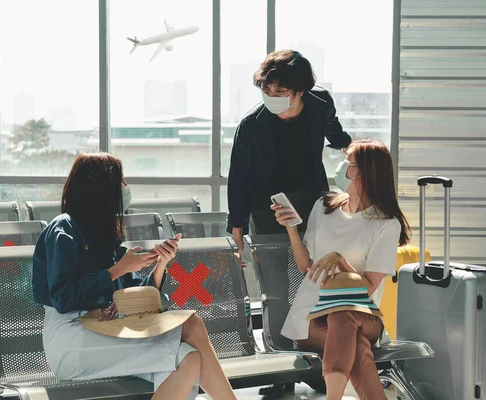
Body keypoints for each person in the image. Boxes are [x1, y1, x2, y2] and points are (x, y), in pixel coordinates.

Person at [32, 153, 237, 400]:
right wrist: (119, 268)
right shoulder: (63, 228)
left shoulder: (104, 237)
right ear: (101, 188)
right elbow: (63, 298)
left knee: (189, 359)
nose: (125, 189)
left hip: (107, 329)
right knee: (191, 325)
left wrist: (160, 264)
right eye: (120, 182)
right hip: (72, 338)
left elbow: (138, 300)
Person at [272, 140, 411, 400]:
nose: (342, 167)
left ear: (366, 172)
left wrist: (340, 261)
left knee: (343, 314)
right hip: (313, 315)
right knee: (355, 345)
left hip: (363, 313)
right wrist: (291, 228)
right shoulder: (324, 207)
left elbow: (369, 287)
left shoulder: (385, 224)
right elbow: (307, 268)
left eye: (349, 163)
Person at [227, 49, 352, 254]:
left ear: (300, 90)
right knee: (273, 277)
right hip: (269, 209)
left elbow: (333, 128)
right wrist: (237, 234)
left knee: (314, 268)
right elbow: (239, 179)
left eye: (280, 91)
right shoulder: (251, 125)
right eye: (266, 90)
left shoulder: (320, 103)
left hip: (313, 202)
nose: (271, 96)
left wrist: (353, 149)